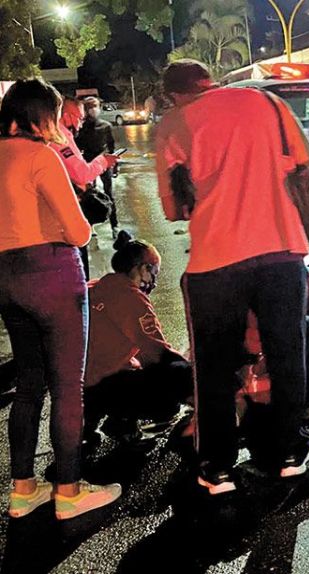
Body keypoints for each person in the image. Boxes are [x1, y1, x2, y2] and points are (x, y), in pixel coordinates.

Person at [155, 59, 309, 495]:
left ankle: (217, 468)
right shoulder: (267, 103)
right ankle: (290, 454)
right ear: (209, 80)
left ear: (174, 93)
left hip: (216, 261)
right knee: (287, 355)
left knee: (213, 366)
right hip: (281, 250)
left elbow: (174, 208)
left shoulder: (174, 123)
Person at [0, 79, 121, 520]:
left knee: (29, 386)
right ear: (40, 115)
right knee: (68, 386)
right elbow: (79, 232)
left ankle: (23, 489)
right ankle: (68, 490)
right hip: (51, 274)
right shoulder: (40, 156)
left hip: (5, 278)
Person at [83, 231, 193, 443]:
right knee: (175, 380)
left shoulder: (94, 286)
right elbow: (157, 352)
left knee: (130, 363)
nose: (154, 282)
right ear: (143, 269)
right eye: (154, 273)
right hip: (103, 386)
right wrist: (191, 378)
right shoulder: (131, 297)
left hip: (76, 384)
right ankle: (122, 419)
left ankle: (101, 425)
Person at [52, 96, 119, 279]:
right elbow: (80, 173)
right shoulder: (59, 137)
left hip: (67, 208)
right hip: (68, 211)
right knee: (77, 269)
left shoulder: (63, 134)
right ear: (66, 115)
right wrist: (103, 161)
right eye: (79, 118)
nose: (80, 124)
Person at [76, 97, 118, 237]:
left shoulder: (106, 126)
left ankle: (115, 225)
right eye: (90, 107)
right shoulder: (81, 128)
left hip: (104, 163)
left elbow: (111, 146)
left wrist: (114, 165)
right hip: (88, 164)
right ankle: (90, 225)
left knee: (109, 194)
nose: (94, 110)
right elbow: (77, 148)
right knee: (88, 195)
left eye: (96, 106)